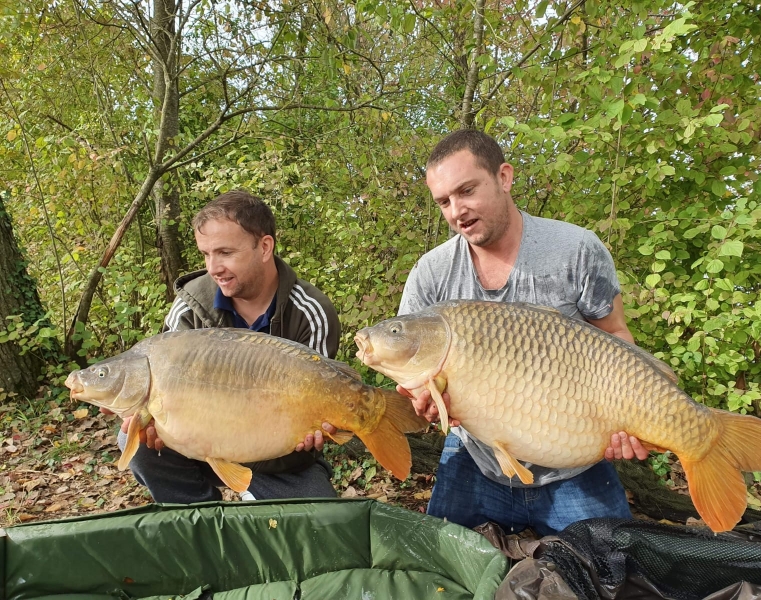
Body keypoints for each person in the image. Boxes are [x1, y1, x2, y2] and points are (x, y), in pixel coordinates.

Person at [397, 130, 648, 536]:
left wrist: (628, 420)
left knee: (611, 577)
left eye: (467, 190)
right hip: (475, 456)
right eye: (444, 201)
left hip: (573, 459)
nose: (457, 210)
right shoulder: (432, 273)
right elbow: (412, 379)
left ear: (505, 177)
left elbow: (617, 335)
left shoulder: (576, 249)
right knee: (441, 577)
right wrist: (421, 402)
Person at [116, 190, 341, 503]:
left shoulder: (311, 312)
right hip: (198, 450)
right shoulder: (190, 309)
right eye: (206, 254)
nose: (213, 267)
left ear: (264, 247)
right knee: (134, 439)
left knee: (319, 532)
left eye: (224, 253)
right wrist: (155, 426)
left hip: (280, 459)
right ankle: (201, 521)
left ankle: (256, 495)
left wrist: (315, 430)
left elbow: (321, 408)